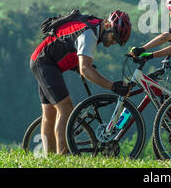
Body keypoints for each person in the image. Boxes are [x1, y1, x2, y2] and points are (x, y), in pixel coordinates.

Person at [30, 9, 132, 155]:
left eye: (117, 42)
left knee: (49, 113)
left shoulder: (95, 26)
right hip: (44, 62)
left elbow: (72, 47)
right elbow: (85, 69)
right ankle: (62, 156)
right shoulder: (90, 34)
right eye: (114, 37)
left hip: (45, 61)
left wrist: (79, 65)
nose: (113, 42)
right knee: (65, 109)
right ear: (108, 26)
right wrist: (113, 86)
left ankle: (50, 158)